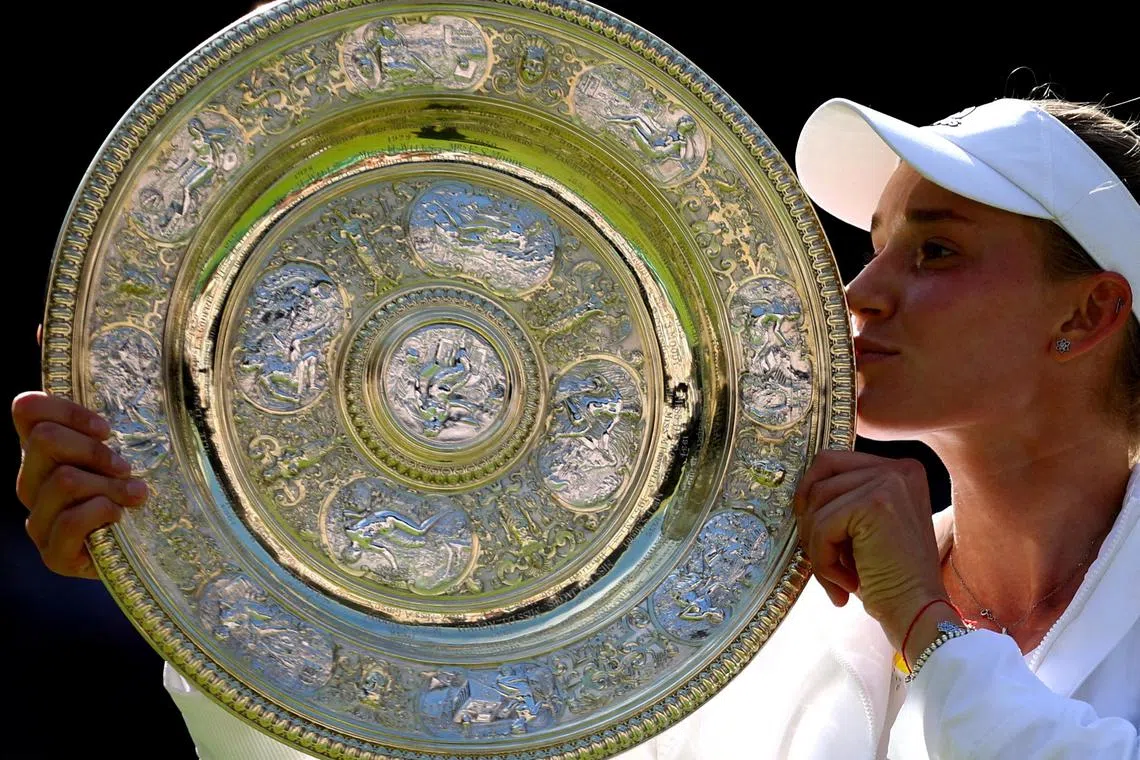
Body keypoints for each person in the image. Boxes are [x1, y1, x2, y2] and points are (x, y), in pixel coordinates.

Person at [12, 91, 1140, 758]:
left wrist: (930, 631)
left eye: (934, 252)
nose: (862, 291)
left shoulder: (866, 601)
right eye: (878, 244)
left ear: (1089, 312)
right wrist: (190, 588)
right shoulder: (763, 609)